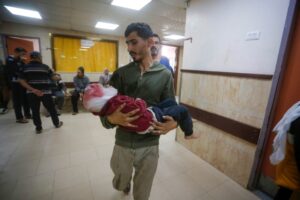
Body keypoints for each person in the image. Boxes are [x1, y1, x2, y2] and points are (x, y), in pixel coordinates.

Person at [100, 22, 178, 200]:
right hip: (123, 144)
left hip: (150, 145)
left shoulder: (165, 75)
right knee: (120, 182)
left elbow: (171, 108)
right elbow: (104, 110)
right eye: (127, 43)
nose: (129, 47)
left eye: (133, 42)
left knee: (142, 193)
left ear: (150, 41)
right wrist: (111, 119)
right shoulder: (120, 74)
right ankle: (124, 183)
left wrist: (173, 123)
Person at [84, 83, 197, 139]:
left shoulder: (106, 107)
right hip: (151, 118)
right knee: (183, 109)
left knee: (170, 102)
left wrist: (174, 124)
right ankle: (189, 133)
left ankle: (184, 121)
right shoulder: (116, 101)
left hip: (150, 115)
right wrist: (139, 101)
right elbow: (139, 107)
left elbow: (170, 101)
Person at [19, 51, 63, 134]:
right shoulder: (45, 67)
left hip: (31, 93)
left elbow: (21, 81)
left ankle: (38, 128)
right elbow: (54, 78)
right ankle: (56, 123)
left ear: (31, 57)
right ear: (39, 57)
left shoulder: (25, 68)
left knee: (35, 111)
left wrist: (33, 89)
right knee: (51, 109)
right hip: (45, 92)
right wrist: (57, 76)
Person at [270, 102, 300, 200]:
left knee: (284, 189)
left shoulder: (297, 107)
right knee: (285, 191)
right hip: (292, 161)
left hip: (287, 155)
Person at [5, 47, 31, 123]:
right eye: (22, 54)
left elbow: (23, 68)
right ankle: (19, 118)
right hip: (15, 83)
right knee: (17, 101)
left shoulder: (20, 60)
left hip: (22, 82)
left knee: (25, 99)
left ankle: (27, 114)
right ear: (16, 52)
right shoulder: (10, 59)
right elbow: (14, 71)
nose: (23, 55)